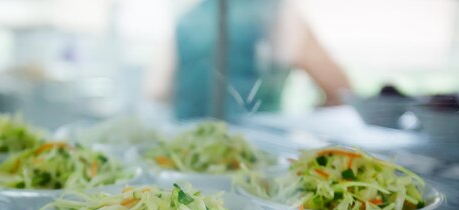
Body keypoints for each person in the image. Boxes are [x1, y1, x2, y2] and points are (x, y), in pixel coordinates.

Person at [146, 0, 350, 120]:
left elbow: (157, 91)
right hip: (256, 156)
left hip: (185, 151)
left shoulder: (188, 17)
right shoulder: (278, 13)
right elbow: (340, 90)